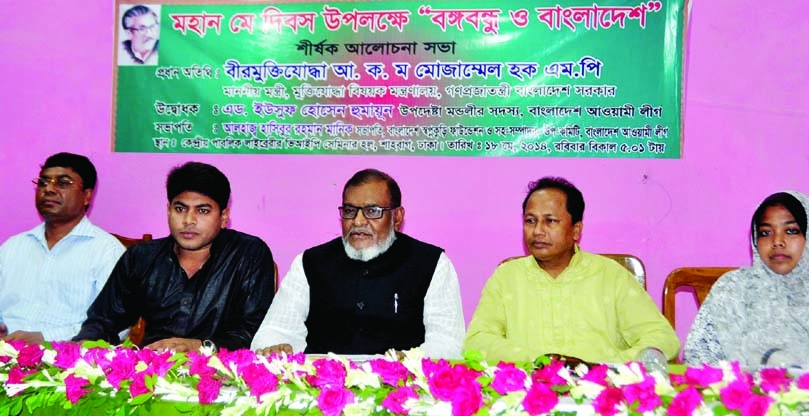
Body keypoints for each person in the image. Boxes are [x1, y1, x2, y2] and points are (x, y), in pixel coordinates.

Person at [251, 168, 464, 358]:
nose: (358, 221)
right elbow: (276, 329)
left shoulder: (431, 263)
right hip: (323, 388)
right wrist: (274, 347)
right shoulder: (311, 262)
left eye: (373, 211)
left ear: (397, 216)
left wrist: (409, 361)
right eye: (349, 211)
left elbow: (447, 342)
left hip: (401, 387)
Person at [464, 177, 679, 364]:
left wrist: (601, 367)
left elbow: (662, 339)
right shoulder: (507, 277)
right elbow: (477, 341)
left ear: (576, 230)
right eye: (531, 221)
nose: (538, 231)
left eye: (550, 221)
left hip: (603, 395)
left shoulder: (611, 276)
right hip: (528, 394)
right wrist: (539, 362)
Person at [73, 162, 275, 352]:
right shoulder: (141, 257)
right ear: (168, 210)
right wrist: (85, 345)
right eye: (180, 209)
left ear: (223, 217)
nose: (188, 220)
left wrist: (199, 347)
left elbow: (251, 334)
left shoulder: (249, 255)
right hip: (150, 375)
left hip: (222, 375)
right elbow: (103, 320)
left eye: (202, 211)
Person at [684, 191, 809, 369]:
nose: (777, 241)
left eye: (791, 231)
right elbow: (700, 363)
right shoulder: (734, 290)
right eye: (766, 232)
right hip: (747, 395)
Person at [0, 153, 125, 344]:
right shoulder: (13, 247)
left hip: (68, 363)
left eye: (63, 183)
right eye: (43, 182)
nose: (49, 189)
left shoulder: (106, 251)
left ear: (87, 196)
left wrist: (46, 339)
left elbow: (118, 324)